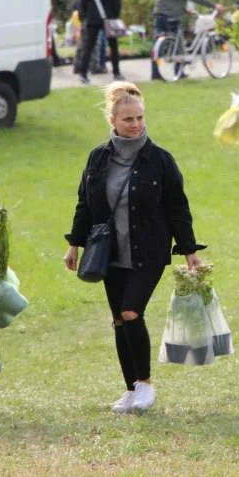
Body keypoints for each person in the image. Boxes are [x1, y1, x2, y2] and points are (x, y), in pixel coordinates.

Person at [64, 82, 205, 414]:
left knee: (131, 312)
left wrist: (189, 251)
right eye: (128, 119)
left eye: (140, 117)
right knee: (118, 320)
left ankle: (145, 384)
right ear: (112, 120)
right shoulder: (98, 158)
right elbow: (85, 203)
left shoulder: (160, 161)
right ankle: (130, 390)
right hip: (109, 252)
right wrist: (74, 244)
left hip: (149, 251)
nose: (136, 124)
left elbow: (178, 209)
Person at [152, 0, 222, 79]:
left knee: (156, 46)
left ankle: (155, 73)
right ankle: (178, 72)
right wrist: (214, 6)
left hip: (159, 16)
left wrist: (185, 9)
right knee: (178, 44)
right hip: (172, 17)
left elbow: (170, 0)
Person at [75, 0, 123, 85]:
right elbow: (117, 4)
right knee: (113, 46)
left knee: (88, 46)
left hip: (93, 18)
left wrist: (85, 16)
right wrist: (114, 16)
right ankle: (116, 73)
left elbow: (82, 2)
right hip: (109, 18)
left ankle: (83, 74)